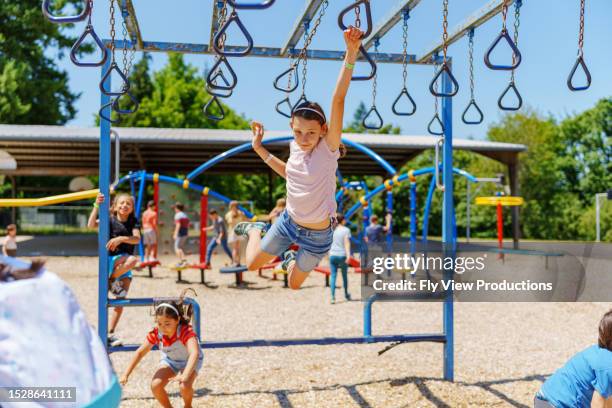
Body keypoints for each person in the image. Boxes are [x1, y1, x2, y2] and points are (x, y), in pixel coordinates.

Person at [233, 26, 362, 290]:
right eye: (299, 131)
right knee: (252, 264)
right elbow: (290, 175)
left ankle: (290, 258)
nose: (304, 138)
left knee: (293, 284)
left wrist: (350, 54)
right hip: (288, 224)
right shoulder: (294, 148)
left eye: (311, 132)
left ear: (323, 131)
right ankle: (256, 229)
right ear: (292, 128)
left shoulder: (327, 150)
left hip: (318, 235)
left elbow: (338, 99)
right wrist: (259, 148)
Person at [120, 290, 203, 408]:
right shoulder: (156, 333)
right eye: (159, 323)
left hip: (190, 360)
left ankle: (188, 406)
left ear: (177, 320)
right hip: (171, 360)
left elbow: (194, 353)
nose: (163, 328)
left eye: (167, 323)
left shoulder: (185, 331)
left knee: (184, 385)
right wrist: (126, 374)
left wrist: (185, 375)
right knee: (156, 385)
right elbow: (140, 352)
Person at [88, 192, 140, 347]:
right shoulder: (109, 220)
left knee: (120, 302)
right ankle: (111, 277)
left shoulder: (133, 222)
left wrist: (121, 238)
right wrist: (96, 205)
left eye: (128, 204)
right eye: (122, 203)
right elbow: (90, 225)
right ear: (115, 206)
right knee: (132, 259)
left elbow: (136, 239)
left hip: (123, 268)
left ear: (131, 209)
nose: (124, 206)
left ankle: (109, 333)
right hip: (112, 261)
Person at [535, 309, 612, 408]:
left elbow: (609, 398)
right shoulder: (608, 365)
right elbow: (598, 404)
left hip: (547, 398)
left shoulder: (600, 352)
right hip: (557, 403)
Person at [329, 214, 352, 304]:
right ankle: (346, 294)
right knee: (344, 275)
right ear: (343, 220)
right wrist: (349, 255)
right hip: (342, 255)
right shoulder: (346, 230)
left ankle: (332, 297)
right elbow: (347, 243)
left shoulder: (332, 230)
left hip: (332, 255)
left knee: (333, 276)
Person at [225, 201, 245, 266]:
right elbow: (231, 222)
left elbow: (230, 222)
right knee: (237, 248)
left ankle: (235, 262)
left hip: (234, 231)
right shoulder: (239, 213)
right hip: (237, 230)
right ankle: (237, 262)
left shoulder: (229, 214)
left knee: (235, 248)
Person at [173, 202, 190, 267]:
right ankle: (182, 261)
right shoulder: (185, 215)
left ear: (177, 208)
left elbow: (178, 224)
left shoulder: (177, 215)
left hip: (180, 232)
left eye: (175, 208)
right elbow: (187, 224)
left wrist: (175, 233)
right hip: (185, 232)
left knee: (176, 248)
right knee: (180, 247)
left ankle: (184, 260)